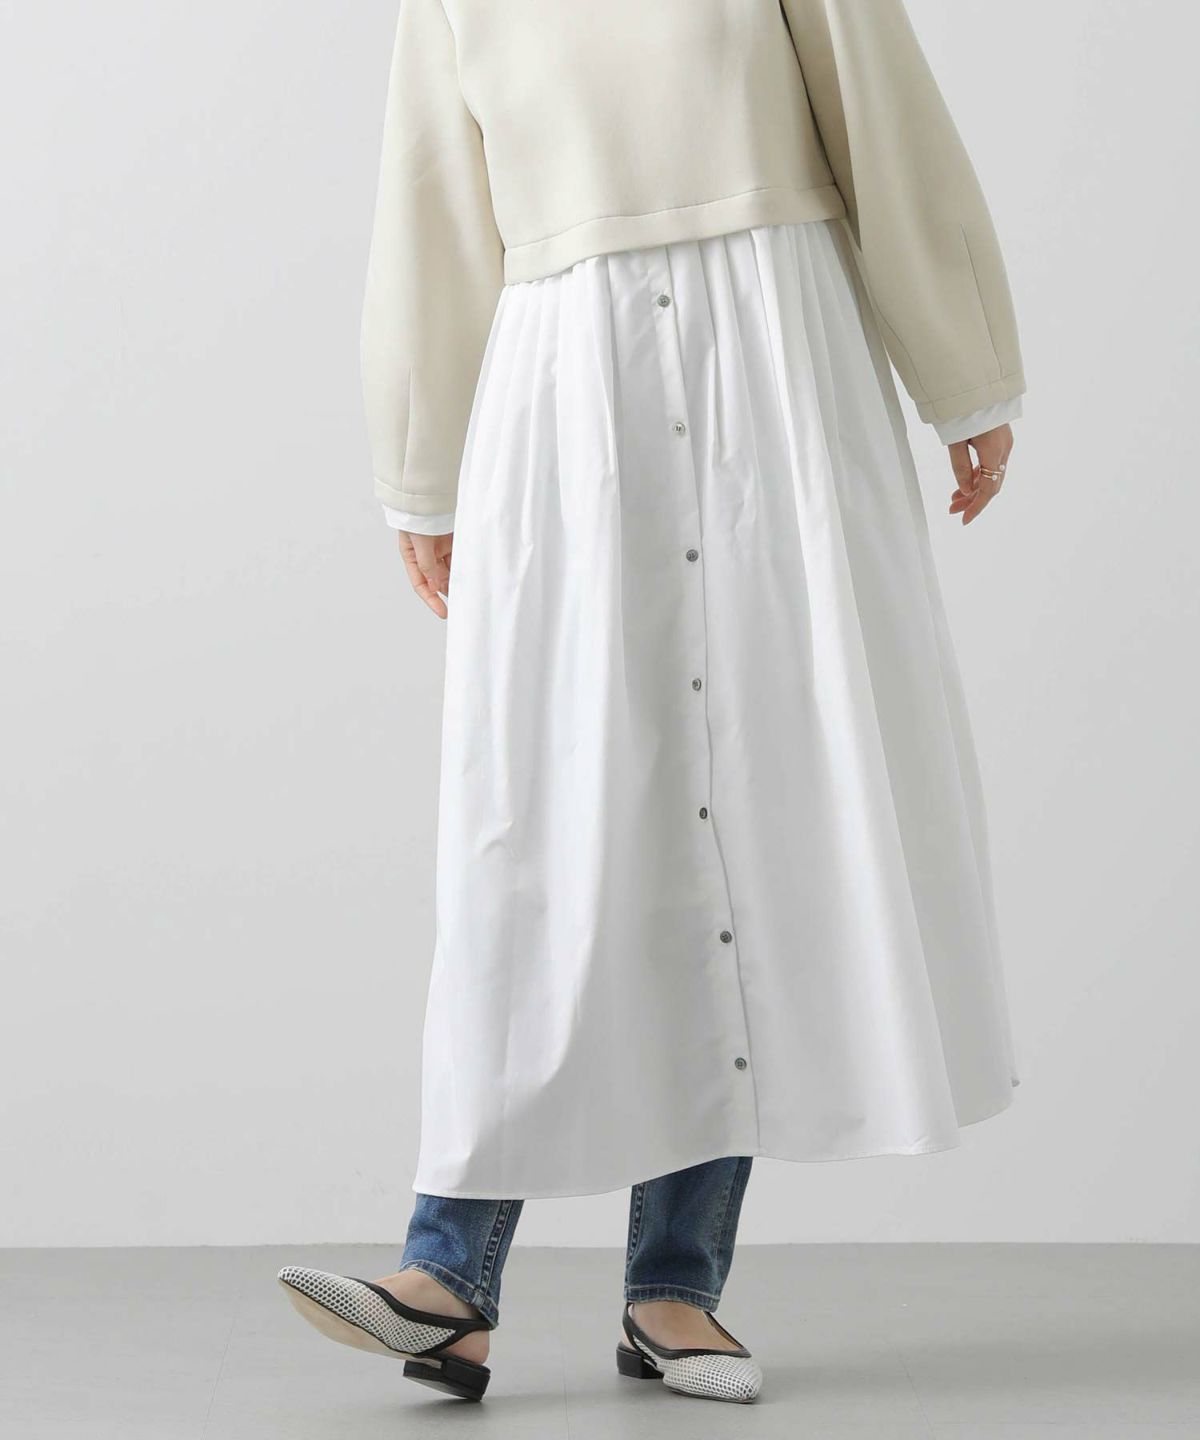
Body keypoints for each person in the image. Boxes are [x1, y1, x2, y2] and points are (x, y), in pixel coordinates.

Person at [279, 0, 1023, 1405]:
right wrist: (420, 470)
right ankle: (448, 1280)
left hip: (777, 366)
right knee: (537, 832)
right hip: (566, 386)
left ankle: (670, 1291)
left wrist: (964, 371)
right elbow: (432, 212)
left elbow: (885, 125)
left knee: (745, 816)